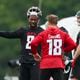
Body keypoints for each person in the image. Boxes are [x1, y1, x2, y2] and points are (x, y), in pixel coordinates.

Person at [0, 6, 43, 80]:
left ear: (38, 20)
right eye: (31, 19)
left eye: (35, 20)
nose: (33, 21)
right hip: (24, 62)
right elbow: (10, 34)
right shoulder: (23, 30)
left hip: (35, 63)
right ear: (28, 18)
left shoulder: (42, 32)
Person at [31, 14, 77, 80]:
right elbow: (73, 45)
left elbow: (33, 43)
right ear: (56, 22)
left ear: (48, 22)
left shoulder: (43, 34)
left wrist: (35, 54)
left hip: (45, 64)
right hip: (58, 63)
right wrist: (63, 50)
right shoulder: (63, 34)